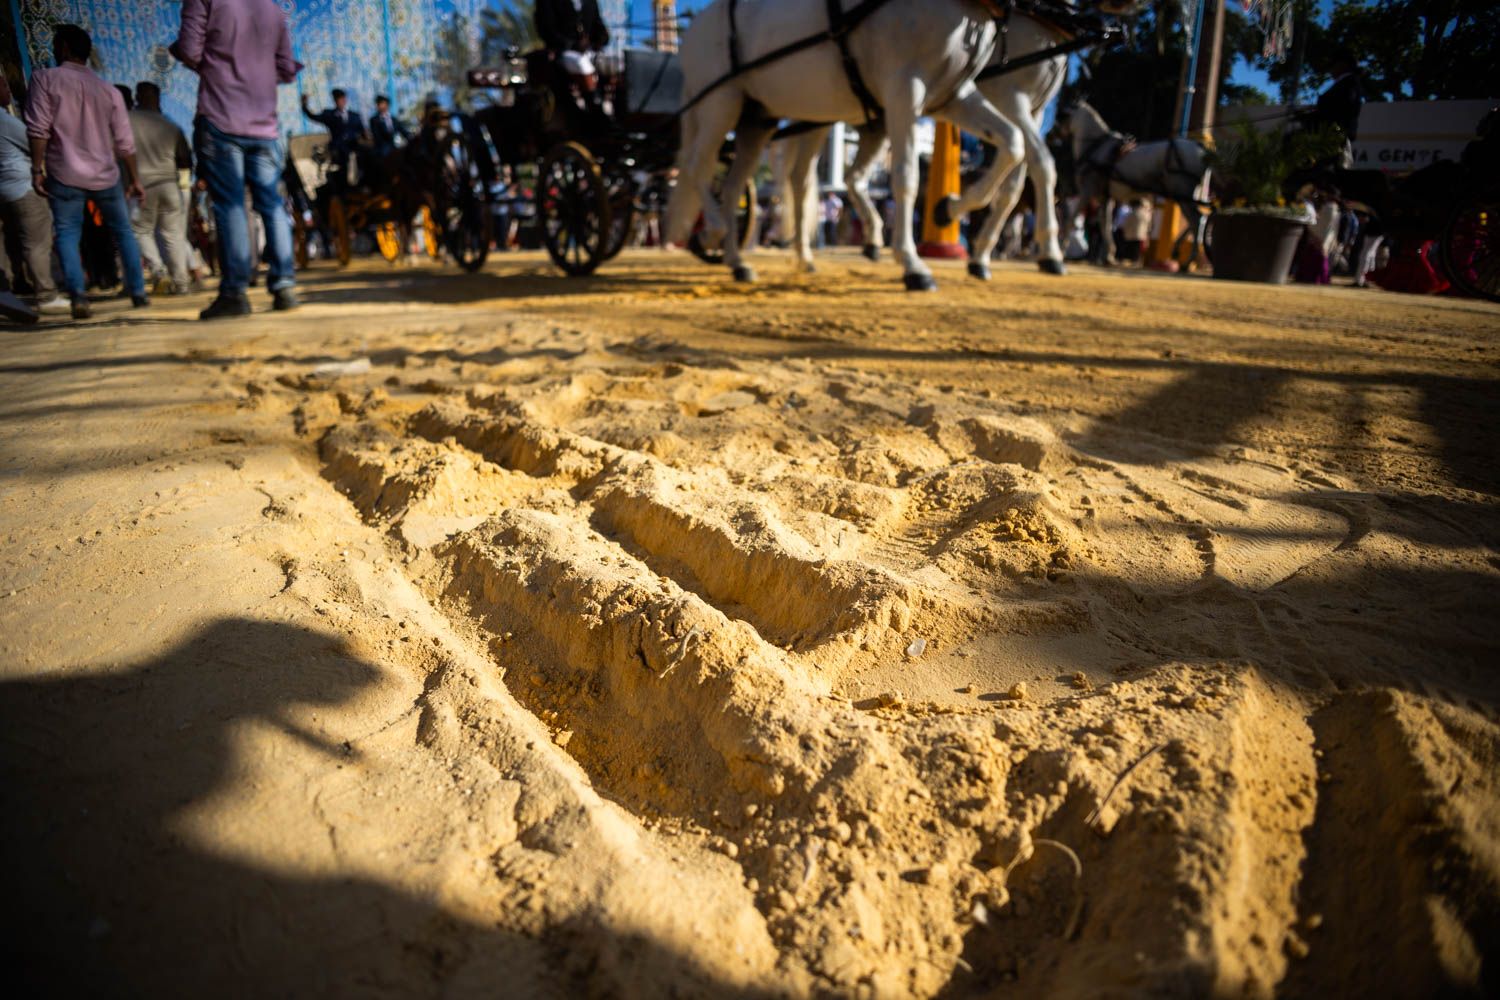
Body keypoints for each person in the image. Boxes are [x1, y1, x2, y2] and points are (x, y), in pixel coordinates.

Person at [171, 0, 302, 319]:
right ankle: (284, 285)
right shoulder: (273, 8)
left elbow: (189, 49)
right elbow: (286, 67)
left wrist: (222, 64)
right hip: (264, 123)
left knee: (230, 204)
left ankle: (234, 293)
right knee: (271, 203)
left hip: (221, 116)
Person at [24, 24, 148, 319]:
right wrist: (135, 179)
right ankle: (138, 292)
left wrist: (37, 169)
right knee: (123, 232)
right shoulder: (108, 90)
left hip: (64, 171)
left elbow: (38, 129)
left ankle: (79, 296)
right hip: (106, 174)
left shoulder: (44, 80)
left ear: (64, 48)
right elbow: (124, 142)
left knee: (67, 233)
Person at [0, 73, 67, 314]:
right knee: (37, 242)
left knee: (12, 241)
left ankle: (14, 286)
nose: (8, 91)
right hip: (22, 186)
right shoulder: (5, 121)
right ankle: (47, 295)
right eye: (4, 85)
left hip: (4, 189)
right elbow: (35, 141)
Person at [128, 81, 193, 295]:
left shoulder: (127, 120)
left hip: (141, 186)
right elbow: (185, 160)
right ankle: (181, 283)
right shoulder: (170, 125)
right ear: (157, 98)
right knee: (174, 234)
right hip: (170, 185)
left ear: (138, 97)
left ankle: (158, 270)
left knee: (140, 230)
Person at [300, 88, 364, 187]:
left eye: (342, 99)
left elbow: (361, 131)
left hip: (353, 148)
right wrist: (304, 105)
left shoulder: (354, 116)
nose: (340, 102)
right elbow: (313, 116)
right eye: (338, 99)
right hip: (338, 149)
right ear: (335, 101)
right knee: (341, 167)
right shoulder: (329, 115)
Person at [368, 95, 409, 161]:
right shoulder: (374, 120)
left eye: (383, 103)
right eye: (380, 104)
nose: (382, 106)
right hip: (384, 147)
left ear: (388, 105)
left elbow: (402, 130)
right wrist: (391, 138)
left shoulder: (394, 119)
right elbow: (377, 136)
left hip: (396, 145)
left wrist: (410, 137)